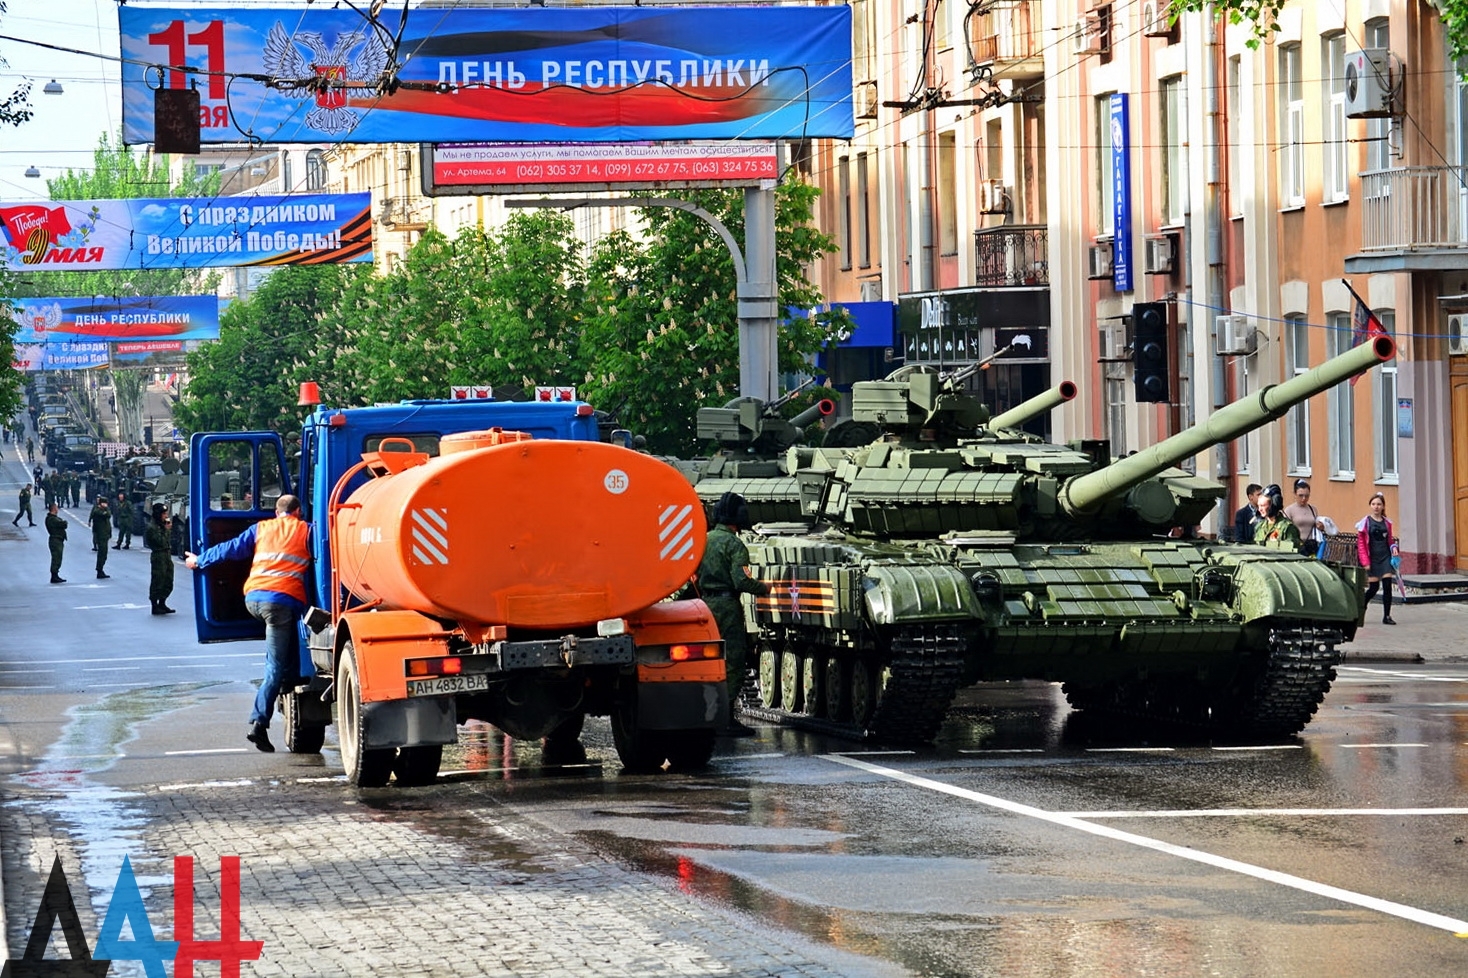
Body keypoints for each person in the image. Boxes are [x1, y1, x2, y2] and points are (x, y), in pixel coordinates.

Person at [186, 495, 312, 753]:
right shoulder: (306, 530)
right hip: (280, 603)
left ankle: (289, 681)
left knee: (284, 653)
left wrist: (198, 560)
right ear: (298, 511)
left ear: (277, 512)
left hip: (253, 599)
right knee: (274, 666)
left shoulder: (261, 528)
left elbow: (229, 549)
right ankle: (258, 723)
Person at [689, 492, 770, 737]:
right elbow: (740, 580)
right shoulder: (735, 545)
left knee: (706, 660)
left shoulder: (702, 540)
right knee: (733, 660)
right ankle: (727, 717)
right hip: (727, 607)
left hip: (703, 606)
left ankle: (706, 712)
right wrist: (764, 588)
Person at [1356, 492, 1400, 625]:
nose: (1376, 507)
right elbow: (1361, 545)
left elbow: (1390, 540)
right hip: (1372, 559)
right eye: (1373, 504)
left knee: (1387, 586)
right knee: (1373, 588)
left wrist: (1394, 548)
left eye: (1379, 504)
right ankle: (1359, 610)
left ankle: (1387, 616)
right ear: (1370, 505)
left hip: (1385, 557)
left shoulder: (1387, 523)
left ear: (1383, 506)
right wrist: (1365, 562)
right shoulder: (1365, 523)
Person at [1283, 479, 1326, 557]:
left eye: (1306, 496)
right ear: (1295, 494)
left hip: (1311, 546)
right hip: (1296, 548)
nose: (1304, 498)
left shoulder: (1313, 509)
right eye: (1301, 495)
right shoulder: (1289, 510)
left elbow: (1317, 527)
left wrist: (1321, 527)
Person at [145, 503, 175, 615]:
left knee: (168, 579)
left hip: (166, 555)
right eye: (163, 514)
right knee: (158, 580)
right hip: (158, 556)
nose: (165, 516)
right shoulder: (152, 528)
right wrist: (167, 530)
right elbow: (160, 541)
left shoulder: (161, 526)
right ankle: (154, 605)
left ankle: (162, 602)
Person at [88, 497, 113, 579]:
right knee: (102, 553)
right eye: (104, 503)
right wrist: (105, 509)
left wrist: (106, 509)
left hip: (105, 535)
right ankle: (99, 570)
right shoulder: (97, 511)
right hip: (100, 535)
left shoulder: (104, 510)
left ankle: (100, 569)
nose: (106, 505)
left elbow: (109, 514)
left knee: (104, 554)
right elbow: (106, 514)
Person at [44, 502, 67, 584]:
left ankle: (55, 574)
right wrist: (64, 523)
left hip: (58, 540)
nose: (57, 509)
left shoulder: (53, 518)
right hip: (55, 540)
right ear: (53, 509)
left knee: (58, 558)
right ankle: (54, 575)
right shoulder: (51, 519)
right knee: (56, 558)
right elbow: (62, 524)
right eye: (56, 507)